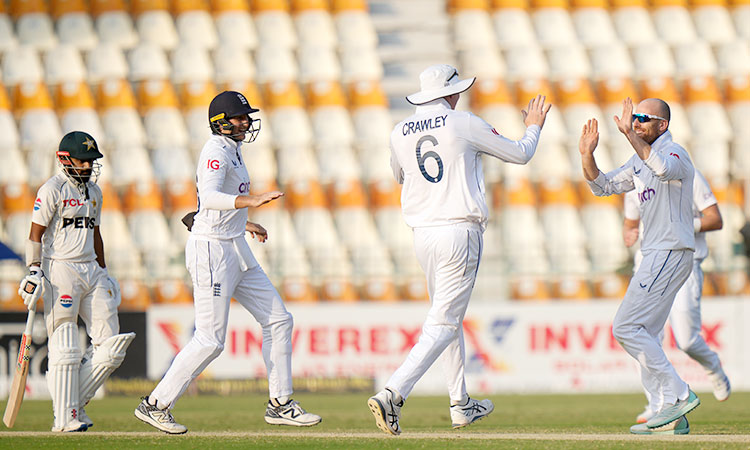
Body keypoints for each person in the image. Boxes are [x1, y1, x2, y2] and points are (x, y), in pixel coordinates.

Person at [367, 64, 551, 435]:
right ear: (449, 94)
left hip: (423, 234)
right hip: (458, 231)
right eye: (456, 91)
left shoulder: (399, 131)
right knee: (444, 322)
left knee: (446, 318)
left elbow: (399, 175)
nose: (459, 96)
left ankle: (460, 404)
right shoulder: (463, 122)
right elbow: (520, 154)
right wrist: (534, 125)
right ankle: (393, 393)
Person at [134, 91, 321, 434]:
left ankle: (280, 403)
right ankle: (155, 404)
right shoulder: (215, 150)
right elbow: (209, 198)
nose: (246, 122)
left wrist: (246, 222)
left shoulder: (233, 150)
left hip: (235, 246)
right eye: (239, 117)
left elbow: (213, 208)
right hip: (212, 252)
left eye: (247, 116)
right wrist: (253, 200)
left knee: (279, 320)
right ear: (220, 122)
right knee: (210, 340)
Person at [578, 97, 700, 435]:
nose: (635, 123)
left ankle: (679, 394)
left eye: (643, 118)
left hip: (668, 251)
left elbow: (663, 169)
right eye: (634, 119)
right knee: (644, 332)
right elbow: (602, 186)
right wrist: (587, 154)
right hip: (659, 253)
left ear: (662, 125)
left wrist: (628, 136)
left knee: (626, 328)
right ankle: (669, 412)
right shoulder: (637, 161)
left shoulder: (676, 153)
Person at [18, 131, 135, 432]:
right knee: (66, 345)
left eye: (91, 162)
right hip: (61, 271)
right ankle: (65, 418)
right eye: (82, 162)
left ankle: (73, 404)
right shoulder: (52, 189)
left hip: (91, 270)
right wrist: (34, 270)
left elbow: (95, 233)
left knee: (111, 347)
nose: (87, 167)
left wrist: (105, 271)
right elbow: (35, 235)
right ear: (65, 159)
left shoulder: (94, 192)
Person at [623, 167, 731, 424]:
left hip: (684, 263)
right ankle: (657, 404)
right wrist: (629, 233)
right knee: (642, 335)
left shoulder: (685, 173)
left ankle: (713, 366)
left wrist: (681, 224)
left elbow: (715, 219)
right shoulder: (635, 178)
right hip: (648, 267)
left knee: (687, 340)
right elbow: (630, 223)